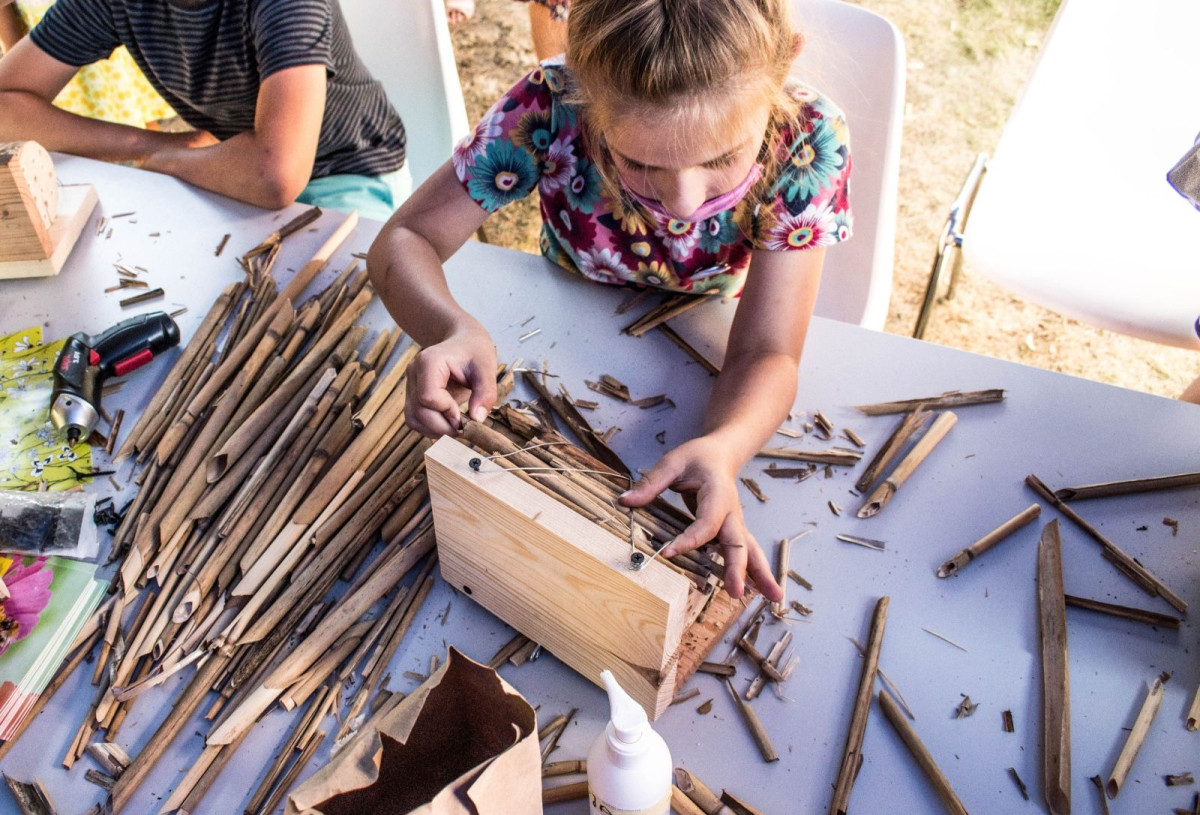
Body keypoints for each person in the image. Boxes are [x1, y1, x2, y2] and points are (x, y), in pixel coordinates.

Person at [368, 0, 852, 599]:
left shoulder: (807, 138)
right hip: (561, 323)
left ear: (784, 69)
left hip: (709, 324)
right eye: (639, 163)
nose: (681, 201)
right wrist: (447, 327)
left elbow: (767, 348)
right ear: (583, 86)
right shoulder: (549, 102)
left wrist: (726, 445)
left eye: (723, 158)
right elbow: (405, 238)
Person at [0, 0, 408, 218]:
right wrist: (151, 145)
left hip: (349, 174)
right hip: (234, 169)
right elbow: (6, 104)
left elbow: (276, 174)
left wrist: (168, 160)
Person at [0, 0, 174, 129]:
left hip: (102, 19)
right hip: (45, 34)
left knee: (132, 103)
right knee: (73, 128)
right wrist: (14, 51)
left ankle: (162, 152)